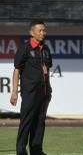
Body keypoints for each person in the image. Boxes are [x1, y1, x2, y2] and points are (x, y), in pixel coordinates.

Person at [10, 20, 52, 155]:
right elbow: (17, 70)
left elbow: (47, 70)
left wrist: (49, 90)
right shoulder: (25, 49)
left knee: (40, 122)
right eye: (40, 30)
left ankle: (36, 149)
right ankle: (21, 151)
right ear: (32, 32)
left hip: (44, 92)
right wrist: (15, 92)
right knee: (26, 121)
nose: (43, 33)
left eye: (44, 30)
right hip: (30, 92)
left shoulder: (46, 49)